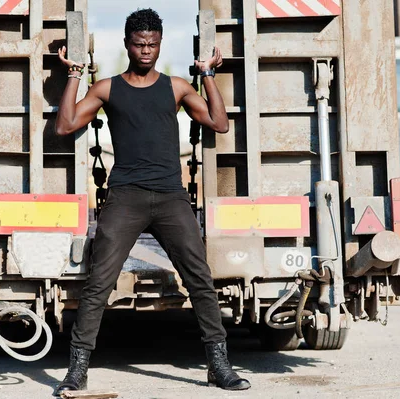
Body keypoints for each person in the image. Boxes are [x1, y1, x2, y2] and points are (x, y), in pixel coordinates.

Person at [54, 8, 251, 395]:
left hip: (170, 197)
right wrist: (75, 75)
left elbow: (219, 122)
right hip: (125, 196)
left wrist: (207, 74)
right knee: (98, 284)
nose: (146, 50)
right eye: (140, 43)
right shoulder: (107, 88)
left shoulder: (176, 87)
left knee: (200, 279)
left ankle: (219, 365)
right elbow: (65, 125)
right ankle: (77, 370)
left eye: (153, 44)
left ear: (160, 44)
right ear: (127, 44)